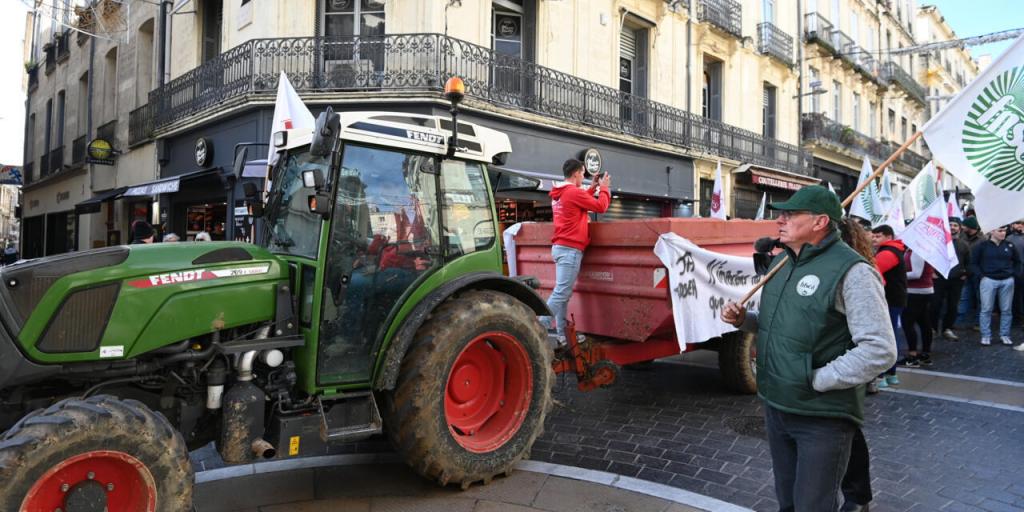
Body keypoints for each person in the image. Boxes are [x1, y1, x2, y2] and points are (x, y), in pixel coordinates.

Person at [722, 185, 896, 512]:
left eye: (790, 214)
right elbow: (780, 323)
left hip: (820, 415)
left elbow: (880, 349)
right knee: (787, 503)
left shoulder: (853, 271)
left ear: (819, 222)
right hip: (778, 405)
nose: (780, 220)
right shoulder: (784, 263)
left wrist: (816, 379)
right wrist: (744, 319)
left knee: (812, 506)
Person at [542, 158, 611, 337]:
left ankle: (562, 334)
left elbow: (577, 202)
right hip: (570, 249)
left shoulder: (560, 192)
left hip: (559, 247)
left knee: (562, 294)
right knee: (561, 293)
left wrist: (592, 187)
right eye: (582, 173)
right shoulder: (572, 192)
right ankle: (537, 326)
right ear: (575, 174)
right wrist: (603, 188)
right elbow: (600, 206)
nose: (583, 177)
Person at [869, 224, 907, 389]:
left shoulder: (889, 252)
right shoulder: (894, 250)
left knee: (886, 337)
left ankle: (883, 375)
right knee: (891, 336)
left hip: (889, 299)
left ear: (888, 236)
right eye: (874, 236)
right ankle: (891, 374)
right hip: (894, 299)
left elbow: (872, 270)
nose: (874, 239)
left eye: (878, 236)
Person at [970, 226, 1020, 346]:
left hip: (1007, 280)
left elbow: (1018, 262)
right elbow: (973, 263)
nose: (1003, 233)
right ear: (992, 231)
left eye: (1004, 231)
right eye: (1000, 231)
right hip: (988, 280)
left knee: (1006, 310)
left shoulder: (1010, 246)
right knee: (986, 309)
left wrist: (1014, 275)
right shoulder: (981, 246)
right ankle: (986, 335)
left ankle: (1005, 335)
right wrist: (982, 276)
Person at [931, 218, 969, 340]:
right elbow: (930, 258)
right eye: (950, 225)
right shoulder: (938, 242)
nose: (952, 227)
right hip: (939, 278)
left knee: (953, 305)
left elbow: (968, 261)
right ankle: (933, 328)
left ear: (959, 228)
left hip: (956, 280)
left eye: (955, 225)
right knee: (935, 304)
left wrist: (965, 274)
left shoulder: (964, 244)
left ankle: (948, 328)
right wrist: (931, 272)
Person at [902, 248, 935, 365]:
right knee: (924, 322)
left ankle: (913, 355)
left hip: (916, 291)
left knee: (908, 322)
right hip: (922, 290)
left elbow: (916, 273)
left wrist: (899, 274)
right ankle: (925, 354)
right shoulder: (913, 250)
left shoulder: (917, 251)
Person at [956, 216, 984, 328]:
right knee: (963, 297)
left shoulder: (983, 240)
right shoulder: (962, 238)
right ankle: (959, 321)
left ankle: (978, 322)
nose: (962, 227)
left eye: (964, 226)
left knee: (980, 299)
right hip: (965, 273)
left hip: (978, 274)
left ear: (971, 227)